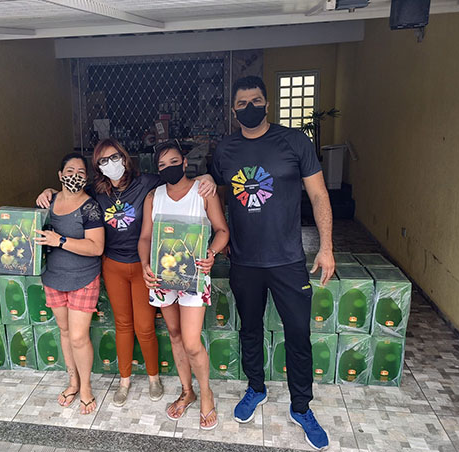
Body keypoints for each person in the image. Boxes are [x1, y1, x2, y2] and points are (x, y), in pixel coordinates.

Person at [36, 139, 216, 407]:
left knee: (145, 327)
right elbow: (71, 191)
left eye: (115, 157)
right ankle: (124, 381)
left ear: (125, 157)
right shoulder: (97, 191)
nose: (111, 164)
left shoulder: (147, 184)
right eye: (103, 161)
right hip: (113, 265)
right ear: (98, 167)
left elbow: (177, 179)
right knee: (122, 325)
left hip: (144, 265)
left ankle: (153, 378)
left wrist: (206, 177)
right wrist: (49, 190)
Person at [210, 76, 334, 450]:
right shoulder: (225, 149)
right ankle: (256, 388)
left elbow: (319, 195)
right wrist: (222, 235)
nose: (250, 107)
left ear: (268, 103)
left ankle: (302, 407)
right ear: (234, 110)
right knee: (249, 329)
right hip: (244, 261)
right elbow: (216, 193)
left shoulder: (294, 142)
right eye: (242, 103)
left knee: (298, 334)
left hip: (288, 260)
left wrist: (326, 247)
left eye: (256, 100)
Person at [138, 141, 229, 431]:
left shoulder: (203, 191)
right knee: (175, 334)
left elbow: (222, 230)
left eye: (174, 162)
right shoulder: (153, 197)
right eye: (162, 165)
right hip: (162, 277)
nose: (169, 168)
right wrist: (145, 265)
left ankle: (206, 393)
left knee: (191, 341)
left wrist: (211, 253)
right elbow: (145, 237)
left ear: (185, 162)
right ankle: (187, 391)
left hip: (194, 276)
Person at [35, 153, 105, 415]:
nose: (75, 176)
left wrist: (60, 241)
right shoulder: (49, 201)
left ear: (87, 177)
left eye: (81, 172)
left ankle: (85, 387)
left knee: (78, 337)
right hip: (53, 277)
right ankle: (73, 381)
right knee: (64, 332)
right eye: (70, 171)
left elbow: (96, 247)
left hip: (83, 278)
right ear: (60, 175)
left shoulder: (90, 207)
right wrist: (45, 192)